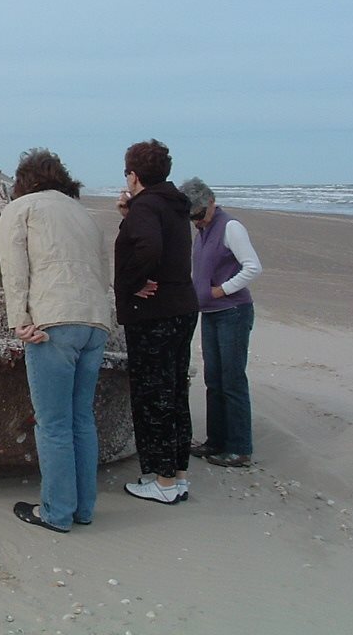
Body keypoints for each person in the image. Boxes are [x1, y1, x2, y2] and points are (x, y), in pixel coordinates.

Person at [0, 149, 114, 533]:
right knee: (82, 419)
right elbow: (102, 274)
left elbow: (14, 269)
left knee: (52, 424)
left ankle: (56, 512)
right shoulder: (85, 216)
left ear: (23, 180)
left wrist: (19, 321)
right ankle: (83, 509)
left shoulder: (22, 208)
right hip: (95, 323)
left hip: (53, 322)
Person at [114, 139, 198, 505]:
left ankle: (163, 482)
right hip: (182, 305)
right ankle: (177, 475)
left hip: (156, 312)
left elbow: (148, 247)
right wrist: (128, 215)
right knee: (176, 391)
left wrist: (132, 284)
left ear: (134, 175)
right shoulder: (173, 204)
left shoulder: (147, 205)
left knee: (155, 394)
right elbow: (155, 241)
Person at [180, 177, 262, 467]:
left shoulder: (231, 227)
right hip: (211, 314)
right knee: (213, 380)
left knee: (232, 380)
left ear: (211, 203)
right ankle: (215, 441)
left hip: (233, 312)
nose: (197, 222)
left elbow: (253, 266)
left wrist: (222, 289)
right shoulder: (202, 231)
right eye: (192, 218)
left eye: (200, 215)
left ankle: (239, 447)